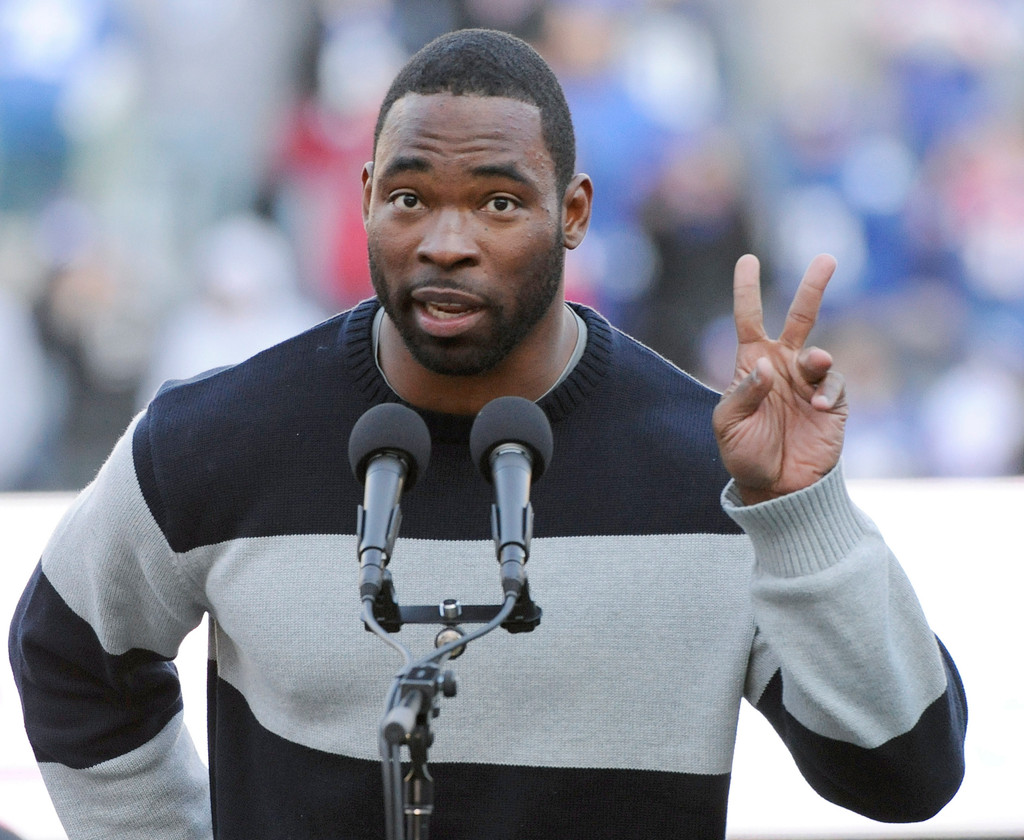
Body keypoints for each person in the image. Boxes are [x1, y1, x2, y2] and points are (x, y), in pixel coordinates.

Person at [8, 28, 966, 840]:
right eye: (410, 197)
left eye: (499, 203)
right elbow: (68, 653)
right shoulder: (214, 435)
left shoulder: (713, 469)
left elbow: (904, 777)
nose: (447, 241)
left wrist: (801, 511)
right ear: (367, 197)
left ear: (574, 213)